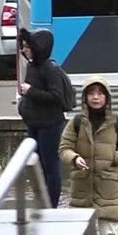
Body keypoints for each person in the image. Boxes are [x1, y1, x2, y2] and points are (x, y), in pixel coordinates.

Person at [58, 76, 118, 235]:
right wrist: (74, 159)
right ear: (85, 97)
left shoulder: (117, 122)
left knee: (109, 233)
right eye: (91, 93)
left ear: (107, 97)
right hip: (82, 186)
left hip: (108, 187)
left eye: (100, 93)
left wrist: (113, 158)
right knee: (82, 234)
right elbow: (64, 148)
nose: (95, 97)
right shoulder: (76, 122)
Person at [17, 29, 72, 207]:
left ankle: (51, 204)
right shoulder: (32, 66)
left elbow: (55, 97)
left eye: (27, 47)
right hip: (34, 123)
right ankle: (42, 201)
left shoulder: (50, 69)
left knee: (50, 168)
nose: (24, 50)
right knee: (37, 166)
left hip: (50, 125)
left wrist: (31, 91)